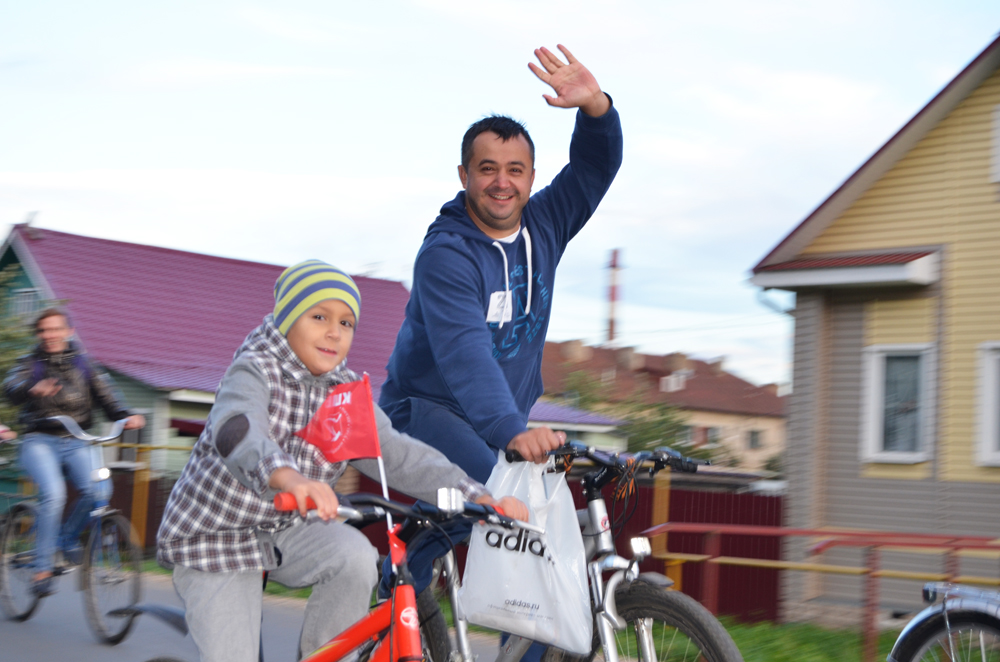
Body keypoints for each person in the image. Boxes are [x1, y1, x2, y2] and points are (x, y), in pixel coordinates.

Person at [156, 260, 526, 662]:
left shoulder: (344, 392)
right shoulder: (254, 369)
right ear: (287, 319)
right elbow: (238, 429)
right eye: (319, 317)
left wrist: (479, 496)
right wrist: (288, 478)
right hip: (217, 538)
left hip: (288, 529)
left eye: (346, 323)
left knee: (355, 556)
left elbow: (398, 454)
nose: (334, 332)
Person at [380, 44, 621, 480]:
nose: (502, 182)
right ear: (464, 175)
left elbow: (592, 168)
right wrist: (511, 430)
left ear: (531, 177)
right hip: (427, 415)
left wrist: (595, 108)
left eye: (515, 170)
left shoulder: (545, 223)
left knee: (528, 507)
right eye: (488, 169)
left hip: (497, 421)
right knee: (496, 498)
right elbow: (465, 351)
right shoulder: (446, 255)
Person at [3, 307, 145, 596]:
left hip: (79, 439)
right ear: (39, 335)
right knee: (54, 494)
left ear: (69, 331)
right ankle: (42, 569)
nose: (50, 335)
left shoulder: (84, 365)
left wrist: (125, 416)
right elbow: (10, 387)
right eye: (44, 330)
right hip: (39, 440)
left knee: (99, 491)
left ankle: (66, 539)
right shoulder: (31, 364)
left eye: (56, 329)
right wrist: (32, 388)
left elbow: (108, 398)